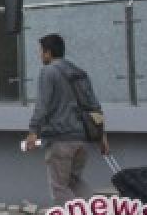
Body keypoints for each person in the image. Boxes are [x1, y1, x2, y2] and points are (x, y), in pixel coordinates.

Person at [22, 34, 109, 204]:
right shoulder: (79, 73)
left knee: (59, 187)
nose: (40, 55)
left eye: (41, 51)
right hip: (82, 140)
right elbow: (95, 107)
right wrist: (102, 136)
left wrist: (33, 131)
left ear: (48, 52)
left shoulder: (48, 72)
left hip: (60, 140)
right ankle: (98, 214)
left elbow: (43, 105)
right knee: (73, 182)